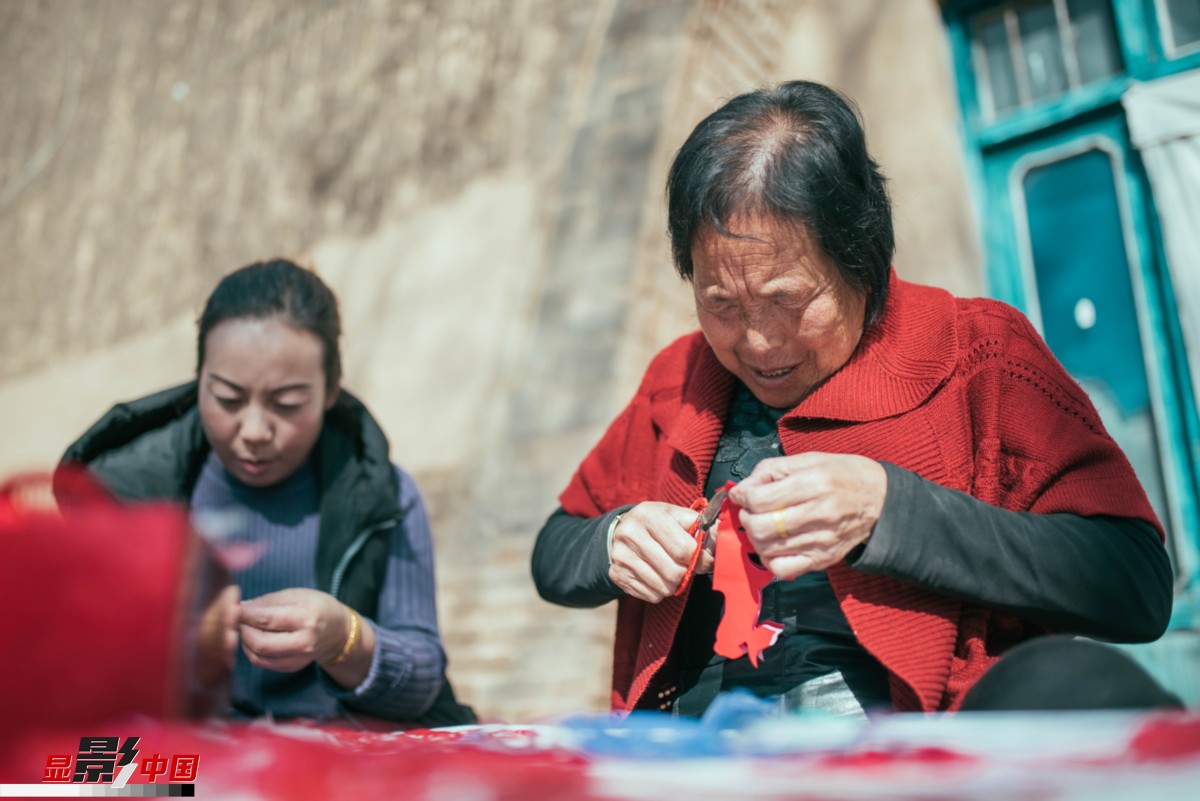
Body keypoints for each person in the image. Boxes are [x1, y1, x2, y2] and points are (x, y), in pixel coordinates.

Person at [531, 81, 1180, 717]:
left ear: (861, 262)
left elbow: (1134, 583)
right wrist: (613, 541)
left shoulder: (979, 354)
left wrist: (889, 510)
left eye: (788, 300)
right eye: (719, 304)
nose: (757, 341)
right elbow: (555, 549)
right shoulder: (679, 382)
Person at [60, 258, 474, 726]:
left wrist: (345, 638)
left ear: (331, 391)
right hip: (186, 764)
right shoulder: (119, 493)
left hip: (331, 767)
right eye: (228, 400)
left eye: (287, 404)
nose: (255, 430)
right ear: (199, 382)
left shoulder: (384, 496)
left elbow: (422, 680)